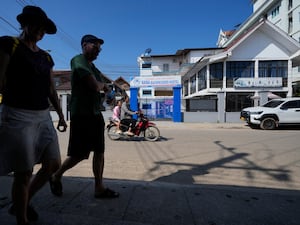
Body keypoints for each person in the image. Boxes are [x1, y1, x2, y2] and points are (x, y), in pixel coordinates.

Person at [0, 5, 67, 225]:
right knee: (24, 171)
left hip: (43, 116)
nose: (41, 31)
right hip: (18, 114)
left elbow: (50, 89)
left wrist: (61, 115)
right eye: (37, 26)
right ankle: (22, 218)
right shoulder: (10, 44)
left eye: (44, 28)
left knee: (53, 163)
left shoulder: (46, 58)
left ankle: (23, 200)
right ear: (25, 23)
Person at [50, 34, 120, 199]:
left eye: (99, 48)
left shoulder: (94, 68)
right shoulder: (78, 60)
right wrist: (103, 87)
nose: (98, 51)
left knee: (99, 151)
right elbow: (95, 85)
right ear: (84, 45)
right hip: (81, 114)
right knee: (79, 154)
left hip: (95, 113)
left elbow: (105, 87)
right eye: (95, 47)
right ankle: (56, 176)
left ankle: (99, 187)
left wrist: (109, 92)